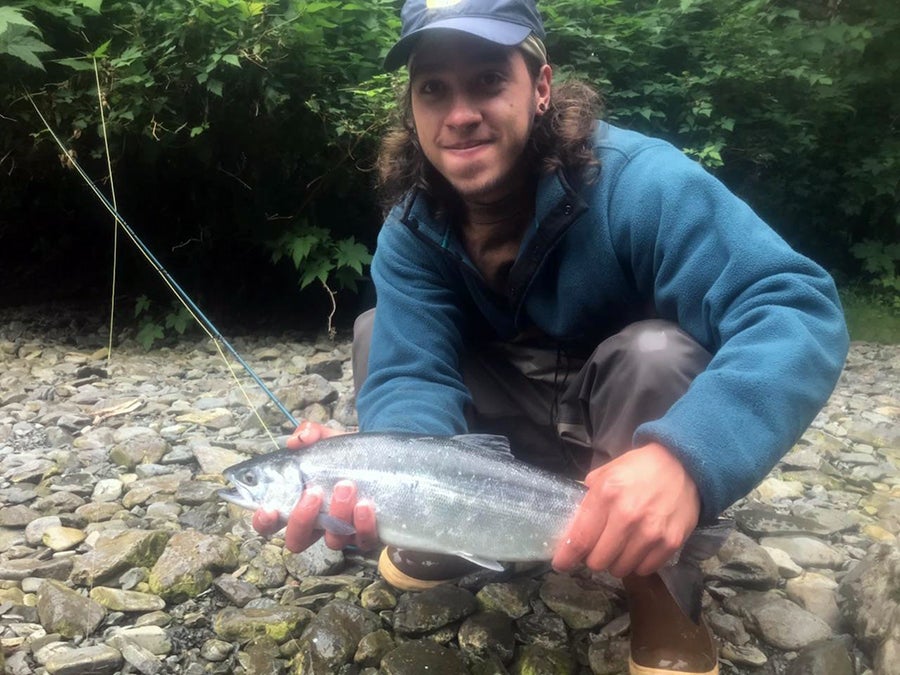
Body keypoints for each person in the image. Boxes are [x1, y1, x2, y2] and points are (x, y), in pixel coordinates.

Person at [254, 0, 849, 672]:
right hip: (498, 456)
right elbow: (411, 373)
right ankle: (443, 531)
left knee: (658, 353)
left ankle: (657, 582)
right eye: (433, 90)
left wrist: (687, 457)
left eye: (486, 80)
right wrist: (375, 469)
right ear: (412, 108)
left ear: (540, 88)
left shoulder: (640, 182)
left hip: (627, 437)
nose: (459, 114)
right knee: (375, 329)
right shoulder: (412, 228)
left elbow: (794, 304)